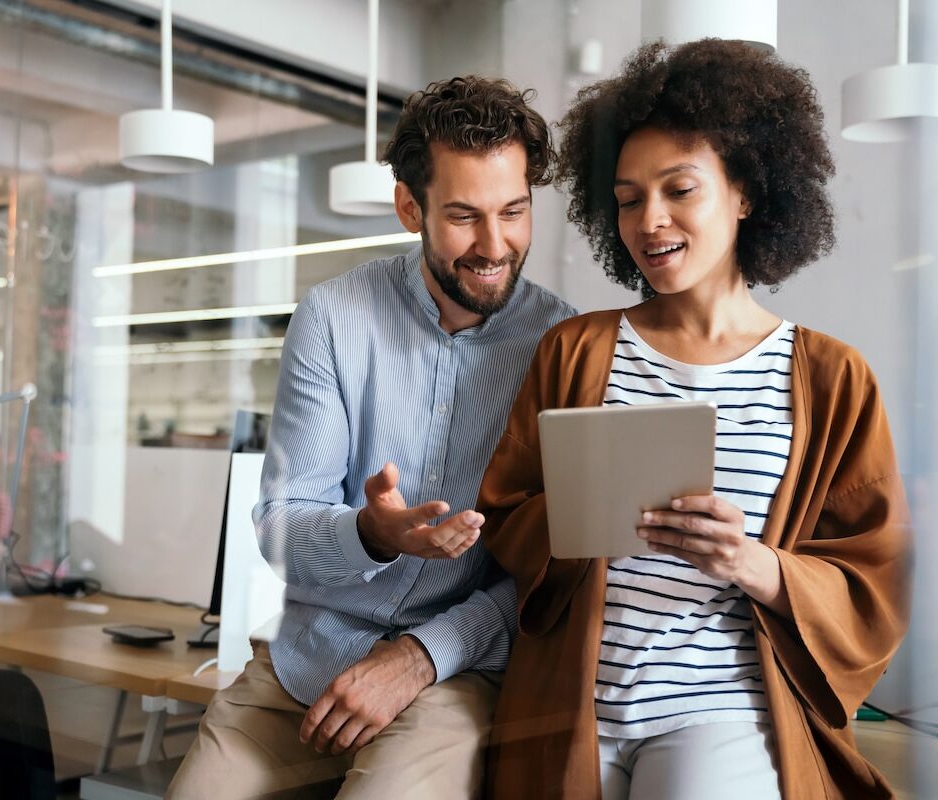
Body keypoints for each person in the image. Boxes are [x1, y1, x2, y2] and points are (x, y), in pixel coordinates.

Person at [477, 40, 913, 800]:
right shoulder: (576, 349)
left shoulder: (831, 379)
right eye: (627, 197)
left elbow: (874, 577)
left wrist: (755, 564)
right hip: (568, 706)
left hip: (720, 710)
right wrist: (578, 515)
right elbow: (505, 515)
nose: (650, 221)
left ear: (746, 192)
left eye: (680, 189)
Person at [166, 75, 577, 799]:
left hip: (453, 670)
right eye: (462, 216)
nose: (494, 244)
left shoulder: (561, 345)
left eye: (514, 211)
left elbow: (552, 573)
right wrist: (373, 534)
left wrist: (419, 655)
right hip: (306, 663)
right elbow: (279, 528)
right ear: (408, 207)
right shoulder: (332, 317)